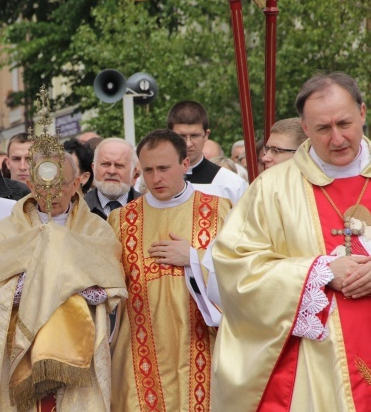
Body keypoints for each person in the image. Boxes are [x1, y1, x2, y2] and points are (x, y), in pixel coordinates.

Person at [211, 72, 371, 411]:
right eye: (323, 129)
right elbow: (235, 269)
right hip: (316, 367)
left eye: (344, 123)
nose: (337, 138)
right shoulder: (272, 188)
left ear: (362, 113)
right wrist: (320, 271)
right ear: (305, 128)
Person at [0, 147, 127, 412]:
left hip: (82, 356)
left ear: (76, 185)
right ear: (32, 184)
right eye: (45, 186)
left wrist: (61, 280)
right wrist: (49, 278)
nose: (53, 194)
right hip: (22, 348)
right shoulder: (8, 231)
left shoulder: (96, 229)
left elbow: (111, 289)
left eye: (61, 185)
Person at [109, 129, 229, 412]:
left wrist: (194, 258)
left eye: (164, 168)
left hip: (202, 345)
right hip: (138, 353)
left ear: (185, 165)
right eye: (148, 170)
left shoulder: (218, 210)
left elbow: (241, 274)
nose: (155, 178)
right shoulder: (121, 219)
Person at [167, 101, 247, 204]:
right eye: (181, 136)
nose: (188, 144)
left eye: (194, 136)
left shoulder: (233, 185)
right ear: (169, 136)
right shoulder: (156, 182)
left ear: (206, 135)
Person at [84, 138, 141, 220]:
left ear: (133, 172)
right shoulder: (78, 210)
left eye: (119, 165)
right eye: (105, 164)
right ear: (94, 168)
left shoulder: (148, 209)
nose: (112, 171)